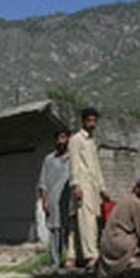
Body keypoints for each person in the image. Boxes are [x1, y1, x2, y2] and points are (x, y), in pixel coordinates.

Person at [67, 107, 109, 267]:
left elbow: (96, 167)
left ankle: (71, 256)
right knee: (87, 220)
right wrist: (76, 184)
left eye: (94, 121)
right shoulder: (76, 139)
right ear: (83, 121)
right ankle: (91, 255)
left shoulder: (91, 141)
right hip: (82, 185)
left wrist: (102, 188)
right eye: (89, 120)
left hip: (92, 186)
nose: (92, 124)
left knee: (87, 220)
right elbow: (74, 163)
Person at [97, 174, 140, 278]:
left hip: (108, 244)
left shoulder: (127, 200)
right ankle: (132, 258)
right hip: (117, 243)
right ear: (137, 189)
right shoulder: (136, 204)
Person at [36, 126, 71, 266]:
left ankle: (70, 261)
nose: (61, 141)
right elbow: (43, 183)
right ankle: (55, 263)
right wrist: (44, 201)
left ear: (68, 139)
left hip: (69, 203)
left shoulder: (74, 158)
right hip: (54, 202)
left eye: (63, 137)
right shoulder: (49, 160)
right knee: (55, 232)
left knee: (69, 233)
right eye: (58, 138)